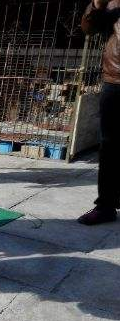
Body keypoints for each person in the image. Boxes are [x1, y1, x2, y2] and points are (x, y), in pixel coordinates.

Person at [78, 0, 120, 225]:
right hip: (114, 79)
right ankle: (106, 206)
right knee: (110, 145)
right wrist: (96, 4)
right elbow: (88, 28)